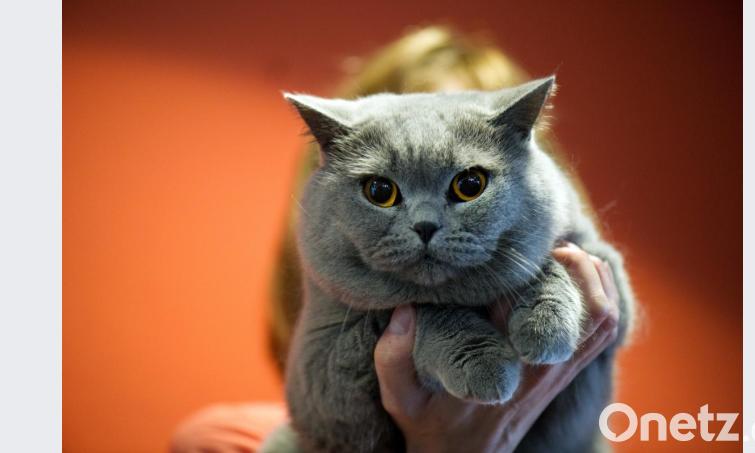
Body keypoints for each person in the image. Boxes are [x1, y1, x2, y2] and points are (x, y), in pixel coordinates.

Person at [171, 25, 621, 453]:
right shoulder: (225, 442)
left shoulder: (556, 226)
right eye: (382, 190)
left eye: (467, 184)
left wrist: (560, 287)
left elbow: (606, 300)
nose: (425, 224)